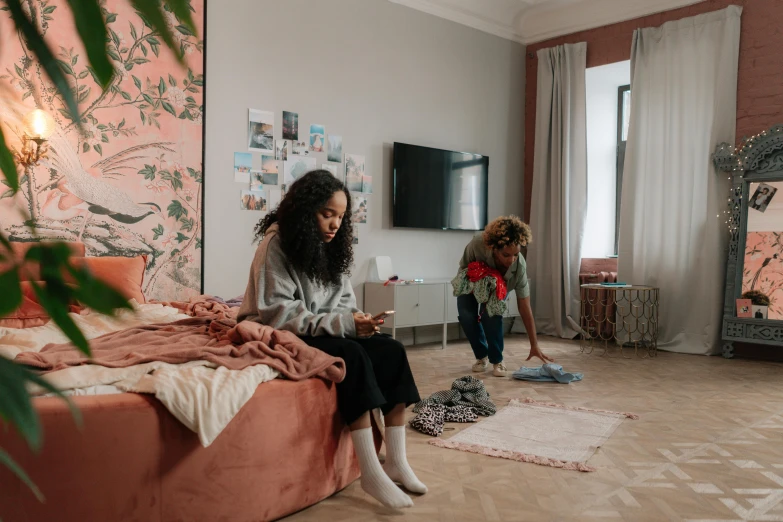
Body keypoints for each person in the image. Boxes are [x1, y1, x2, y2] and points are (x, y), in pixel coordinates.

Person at [238, 170, 424, 509]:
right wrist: (345, 326)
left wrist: (360, 321)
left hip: (322, 328)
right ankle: (370, 472)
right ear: (305, 210)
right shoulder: (276, 245)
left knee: (392, 350)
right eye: (327, 214)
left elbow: (344, 303)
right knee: (349, 355)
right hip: (282, 330)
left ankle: (396, 460)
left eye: (340, 216)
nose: (335, 224)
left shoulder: (332, 249)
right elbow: (279, 312)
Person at [455, 215, 553, 377]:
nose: (511, 260)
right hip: (472, 277)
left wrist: (534, 345)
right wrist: (478, 284)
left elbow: (524, 306)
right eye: (506, 255)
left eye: (516, 254)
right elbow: (463, 268)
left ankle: (497, 360)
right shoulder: (477, 244)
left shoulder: (519, 268)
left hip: (500, 285)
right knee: (466, 315)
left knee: (491, 314)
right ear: (494, 248)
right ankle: (481, 357)